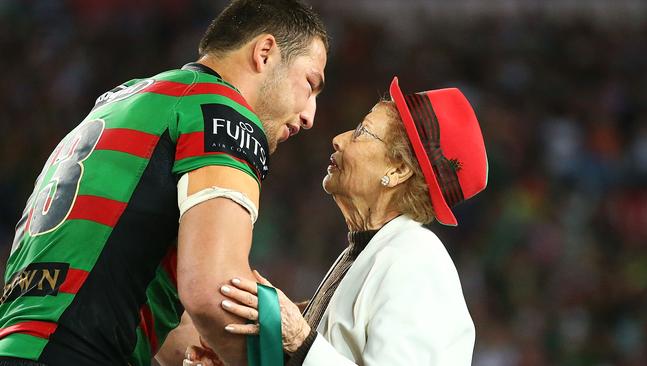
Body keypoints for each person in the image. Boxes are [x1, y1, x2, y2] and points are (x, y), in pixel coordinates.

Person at [0, 1, 327, 365]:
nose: (310, 115)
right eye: (310, 84)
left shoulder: (124, 100)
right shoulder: (221, 112)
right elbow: (213, 291)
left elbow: (153, 312)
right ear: (264, 53)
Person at [186, 77, 488, 365]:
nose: (339, 139)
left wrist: (300, 338)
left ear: (398, 171)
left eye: (362, 132)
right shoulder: (369, 251)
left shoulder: (417, 261)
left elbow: (312, 351)